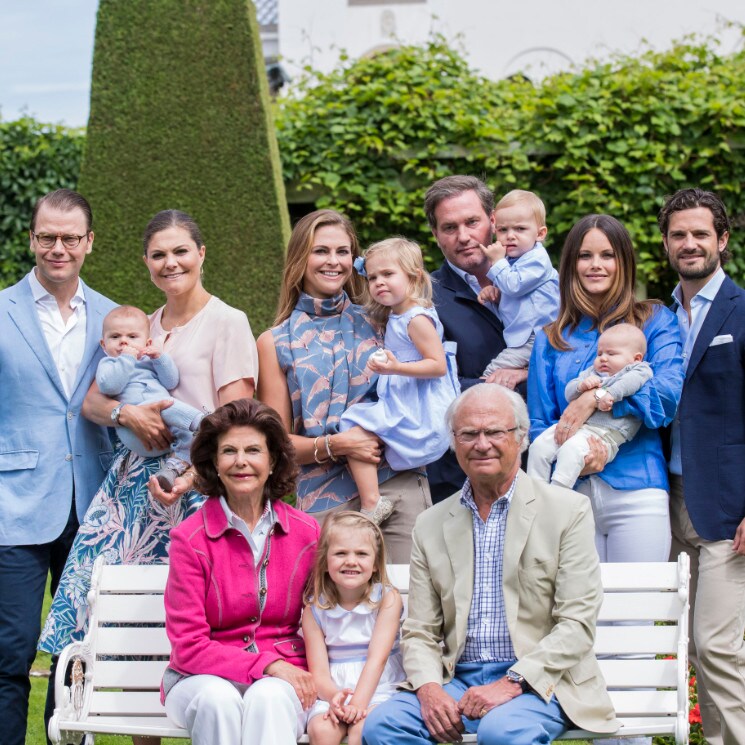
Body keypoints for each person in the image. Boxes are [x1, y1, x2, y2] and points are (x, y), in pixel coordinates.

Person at [40, 209, 258, 745]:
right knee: (124, 616)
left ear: (201, 254)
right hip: (132, 492)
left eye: (181, 251)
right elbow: (94, 398)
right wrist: (127, 415)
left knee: (180, 624)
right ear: (146, 262)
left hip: (196, 487)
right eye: (158, 254)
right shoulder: (143, 324)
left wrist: (189, 475)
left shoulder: (227, 321)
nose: (170, 262)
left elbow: (238, 422)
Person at [362, 384, 619, 745]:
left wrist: (512, 682)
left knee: (503, 731)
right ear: (454, 442)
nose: (482, 444)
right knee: (384, 726)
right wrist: (429, 687)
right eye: (469, 434)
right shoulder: (432, 523)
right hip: (457, 679)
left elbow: (576, 624)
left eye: (495, 431)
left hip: (538, 681)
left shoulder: (566, 512)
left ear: (522, 437)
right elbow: (419, 629)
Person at [0, 189, 116, 745]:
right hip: (13, 506)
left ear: (89, 242)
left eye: (71, 238)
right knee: (10, 652)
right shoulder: (1, 311)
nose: (58, 248)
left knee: (78, 657)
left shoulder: (115, 317)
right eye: (47, 236)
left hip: (93, 506)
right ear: (32, 239)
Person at [257, 210, 431, 563]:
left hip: (397, 483)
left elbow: (424, 385)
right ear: (299, 258)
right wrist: (336, 444)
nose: (333, 261)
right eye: (321, 251)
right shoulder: (274, 342)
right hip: (323, 498)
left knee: (412, 604)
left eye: (343, 251)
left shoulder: (386, 321)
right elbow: (276, 443)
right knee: (331, 612)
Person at [528, 214, 683, 567]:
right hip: (569, 494)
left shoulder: (655, 321)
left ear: (624, 262)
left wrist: (595, 399)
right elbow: (540, 419)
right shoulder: (551, 338)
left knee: (636, 614)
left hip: (637, 489)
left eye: (607, 255)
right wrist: (572, 458)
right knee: (579, 616)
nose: (595, 265)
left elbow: (665, 398)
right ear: (570, 265)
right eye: (585, 256)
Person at [163, 398, 320, 745]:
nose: (241, 462)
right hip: (200, 676)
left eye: (253, 450)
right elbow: (188, 646)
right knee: (218, 700)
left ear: (273, 460)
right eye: (229, 451)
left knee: (270, 697)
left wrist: (282, 670)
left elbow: (322, 621)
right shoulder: (189, 539)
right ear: (214, 463)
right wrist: (265, 665)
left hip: (284, 675)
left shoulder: (307, 533)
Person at [659, 187, 745, 745]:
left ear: (723, 241)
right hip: (667, 498)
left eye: (699, 234)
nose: (689, 244)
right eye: (678, 235)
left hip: (728, 506)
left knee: (717, 643)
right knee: (690, 644)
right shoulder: (658, 316)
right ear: (666, 243)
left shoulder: (742, 311)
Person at [338, 238, 459, 523]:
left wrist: (394, 368)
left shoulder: (416, 319)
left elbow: (438, 365)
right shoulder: (398, 314)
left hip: (417, 402)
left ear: (414, 276)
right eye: (373, 277)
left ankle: (372, 501)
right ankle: (373, 498)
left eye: (388, 274)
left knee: (353, 422)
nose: (379, 282)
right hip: (405, 395)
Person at [424, 175, 514, 502]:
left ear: (492, 221)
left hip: (541, 465)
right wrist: (501, 383)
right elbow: (429, 386)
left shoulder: (539, 280)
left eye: (472, 222)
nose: (464, 237)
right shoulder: (423, 300)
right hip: (460, 477)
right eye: (449, 228)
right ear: (435, 235)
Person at [303, 511, 405, 745]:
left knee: (364, 729)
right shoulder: (314, 610)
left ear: (376, 564)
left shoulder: (387, 600)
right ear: (326, 563)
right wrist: (335, 698)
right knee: (322, 730)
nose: (351, 561)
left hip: (379, 686)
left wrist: (357, 705)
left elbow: (376, 660)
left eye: (361, 554)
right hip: (335, 689)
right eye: (340, 553)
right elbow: (318, 672)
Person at [528, 324, 653, 488]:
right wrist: (581, 386)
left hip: (604, 434)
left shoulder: (638, 369)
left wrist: (610, 394)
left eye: (611, 353)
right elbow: (569, 392)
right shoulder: (593, 372)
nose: (603, 358)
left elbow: (631, 383)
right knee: (539, 445)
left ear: (636, 358)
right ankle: (535, 489)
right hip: (576, 427)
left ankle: (558, 492)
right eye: (599, 353)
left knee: (570, 451)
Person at [96, 305, 205, 490]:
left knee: (190, 438)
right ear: (103, 344)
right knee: (164, 404)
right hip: (136, 430)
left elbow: (171, 382)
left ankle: (171, 471)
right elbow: (110, 386)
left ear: (147, 343)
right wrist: (127, 359)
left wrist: (159, 358)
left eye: (132, 337)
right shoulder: (108, 364)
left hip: (166, 431)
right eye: (115, 337)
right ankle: (204, 421)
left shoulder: (149, 361)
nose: (124, 342)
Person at [477, 189, 559, 379]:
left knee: (491, 373)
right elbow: (517, 295)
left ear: (540, 233)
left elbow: (514, 286)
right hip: (524, 337)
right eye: (503, 230)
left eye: (520, 229)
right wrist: (495, 293)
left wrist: (497, 262)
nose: (510, 236)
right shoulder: (515, 260)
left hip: (536, 337)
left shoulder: (538, 260)